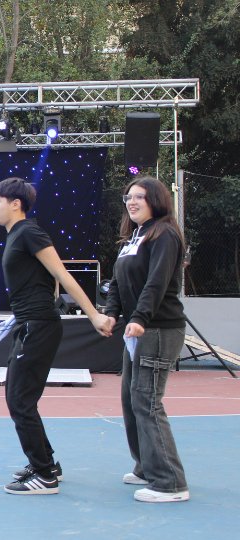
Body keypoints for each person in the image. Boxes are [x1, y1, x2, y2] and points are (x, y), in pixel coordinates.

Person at [0, 177, 112, 495]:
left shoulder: (29, 232)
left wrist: (93, 315)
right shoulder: (17, 235)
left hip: (38, 326)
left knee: (19, 401)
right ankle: (47, 464)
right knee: (20, 398)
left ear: (16, 204)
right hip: (29, 324)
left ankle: (44, 475)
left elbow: (62, 275)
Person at [104, 176, 189, 503]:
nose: (132, 201)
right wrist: (112, 313)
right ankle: (146, 467)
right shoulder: (133, 238)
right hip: (137, 331)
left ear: (156, 199)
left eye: (139, 196)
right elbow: (117, 281)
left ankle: (169, 482)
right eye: (128, 197)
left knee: (147, 401)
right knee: (131, 399)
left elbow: (156, 282)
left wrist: (139, 318)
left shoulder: (164, 234)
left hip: (158, 329)